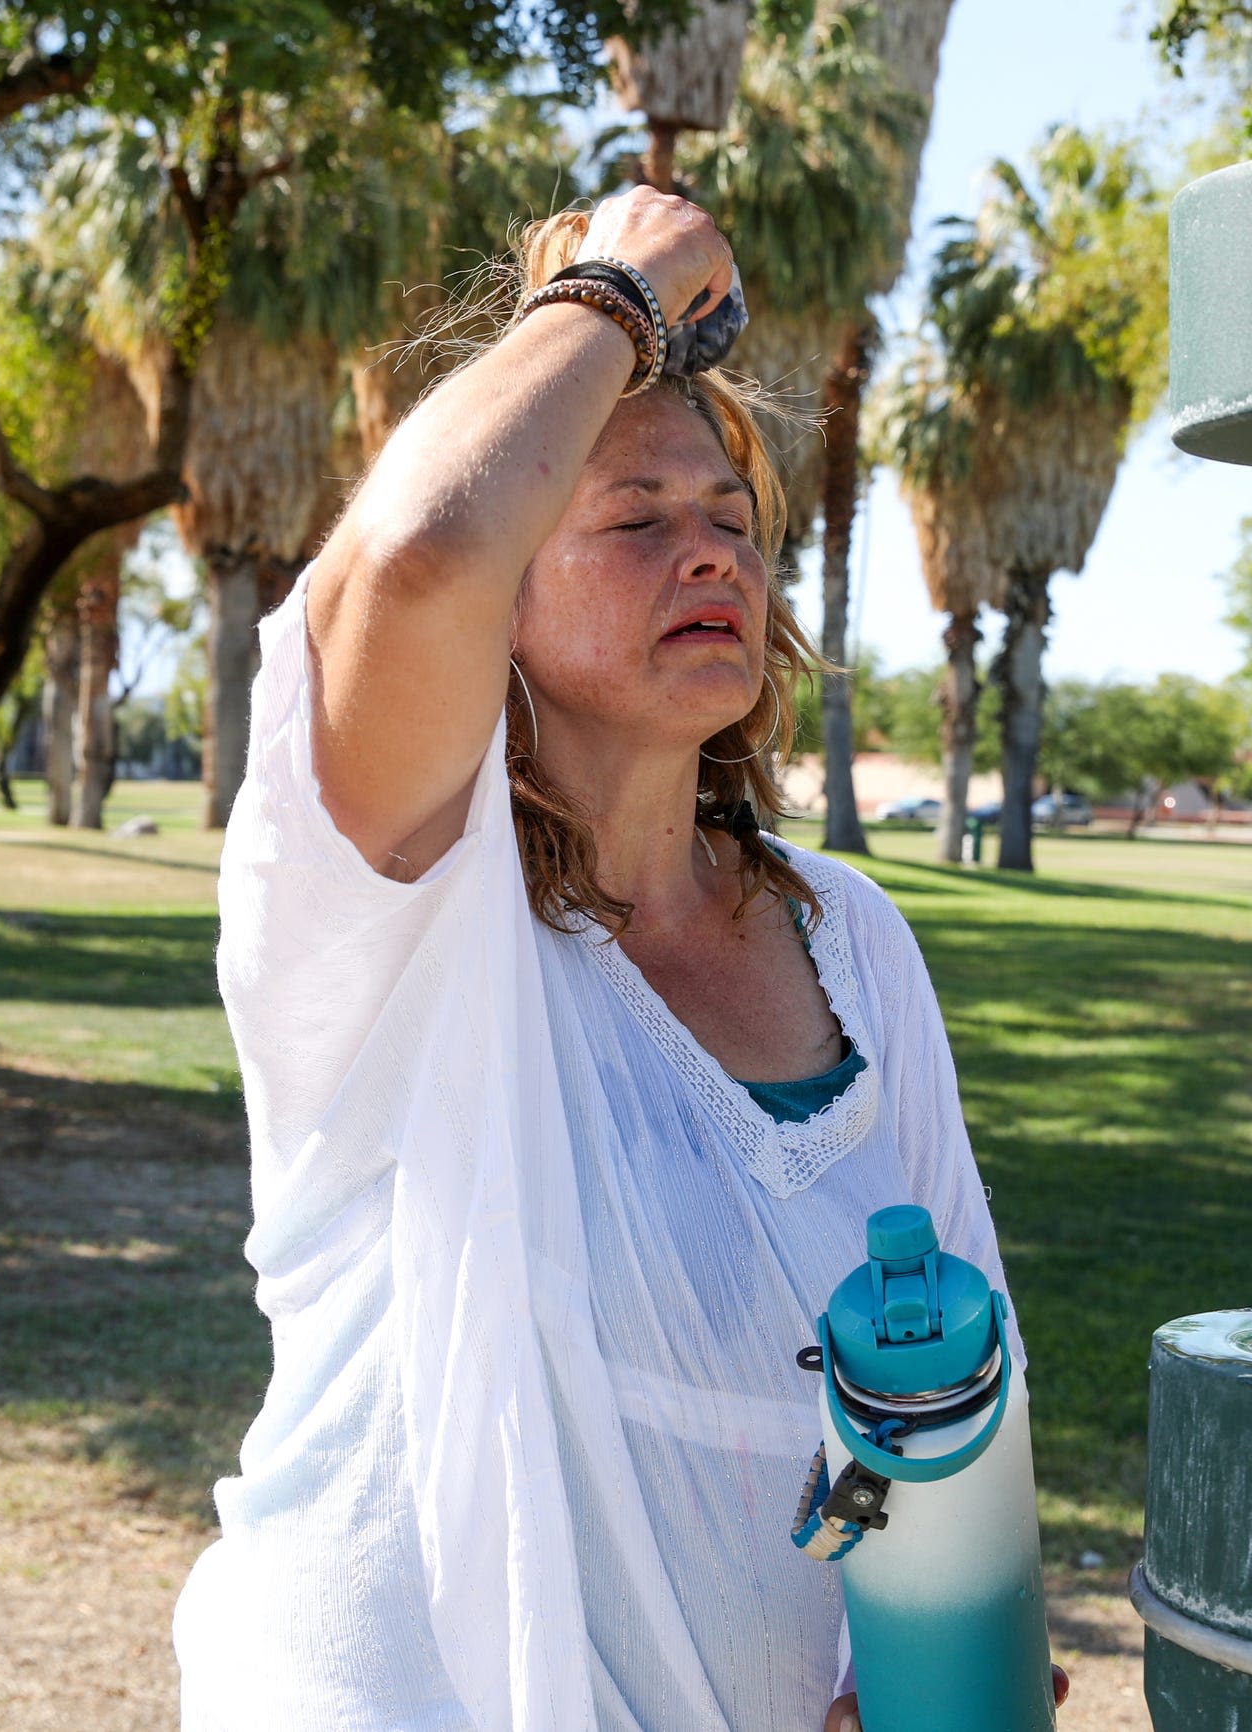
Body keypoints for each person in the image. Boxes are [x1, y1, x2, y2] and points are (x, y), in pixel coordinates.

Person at [173, 188, 1054, 1731]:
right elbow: (425, 548)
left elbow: (955, 1377)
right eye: (636, 520)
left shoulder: (851, 939)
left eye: (731, 519)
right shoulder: (389, 899)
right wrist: (612, 292)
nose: (709, 554)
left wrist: (915, 1664)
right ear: (507, 602)